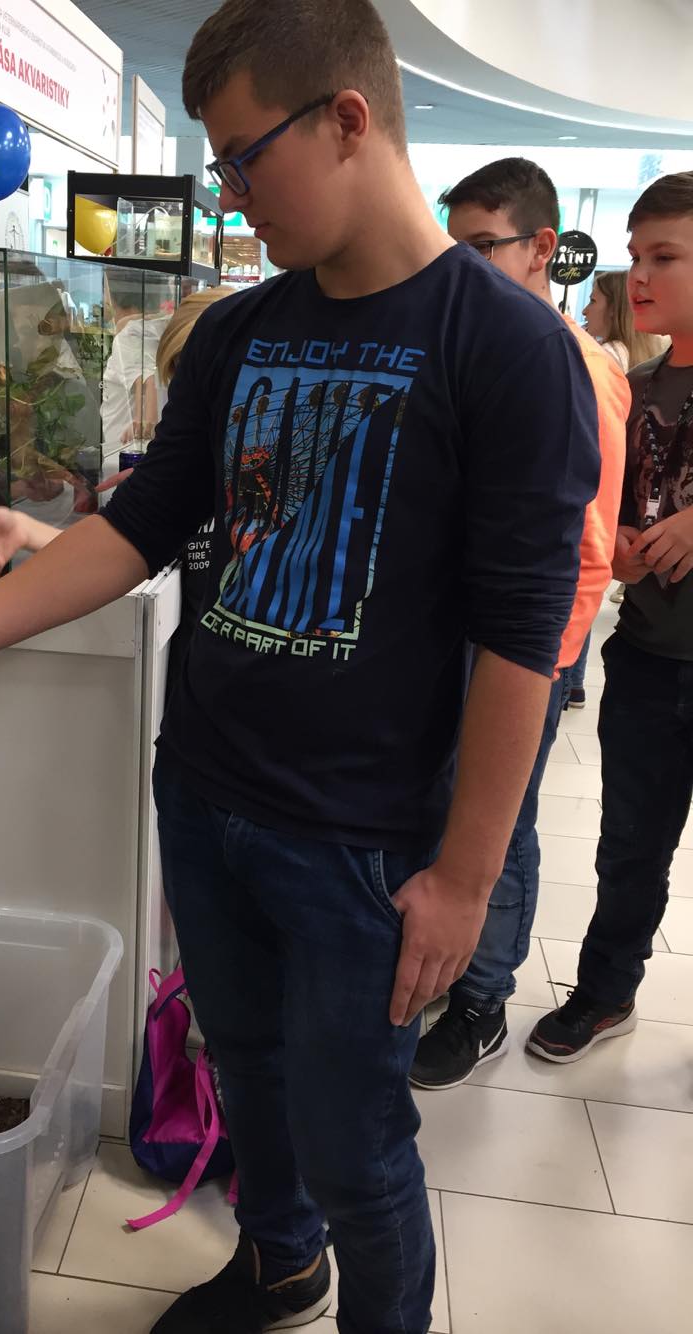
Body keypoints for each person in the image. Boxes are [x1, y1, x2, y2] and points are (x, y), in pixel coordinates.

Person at [0, 4, 600, 1329]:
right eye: (222, 168)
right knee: (246, 1071)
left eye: (246, 158)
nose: (234, 195)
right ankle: (276, 1260)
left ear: (348, 120)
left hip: (364, 841)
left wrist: (466, 878)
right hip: (204, 789)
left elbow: (519, 634)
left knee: (355, 1135)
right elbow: (138, 525)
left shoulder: (506, 348)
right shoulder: (243, 331)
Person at [410, 158, 629, 1091]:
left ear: (542, 248)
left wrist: (540, 667)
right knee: (442, 802)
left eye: (480, 247)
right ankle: (444, 968)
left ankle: (483, 999)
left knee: (497, 818)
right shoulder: (470, 347)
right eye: (449, 248)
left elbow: (586, 549)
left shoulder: (574, 366)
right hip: (446, 629)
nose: (457, 268)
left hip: (522, 648)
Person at [528, 171, 693, 1064]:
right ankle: (605, 989)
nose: (640, 276)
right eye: (636, 256)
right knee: (630, 843)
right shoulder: (635, 386)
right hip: (649, 657)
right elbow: (612, 518)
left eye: (665, 256)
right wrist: (620, 548)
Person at [0, 285, 236, 684]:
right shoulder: (185, 480)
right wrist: (27, 531)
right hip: (191, 694)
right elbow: (126, 547)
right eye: (180, 383)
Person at [583, 270, 671, 608]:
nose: (586, 310)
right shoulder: (644, 372)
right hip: (644, 609)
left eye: (594, 301)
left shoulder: (604, 360)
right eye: (635, 258)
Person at [101, 270, 169, 450]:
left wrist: (145, 421)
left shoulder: (129, 334)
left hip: (125, 446)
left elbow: (147, 378)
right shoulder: (156, 327)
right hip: (135, 445)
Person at [583, 269, 670, 373]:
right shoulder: (652, 350)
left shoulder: (607, 354)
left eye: (592, 301)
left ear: (614, 308)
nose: (584, 311)